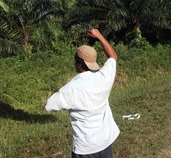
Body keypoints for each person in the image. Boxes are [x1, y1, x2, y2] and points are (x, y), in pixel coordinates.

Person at [45, 29, 120, 158]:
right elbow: (113, 56)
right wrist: (99, 36)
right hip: (105, 141)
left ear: (79, 64)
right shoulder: (104, 76)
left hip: (85, 148)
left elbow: (49, 105)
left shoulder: (71, 88)